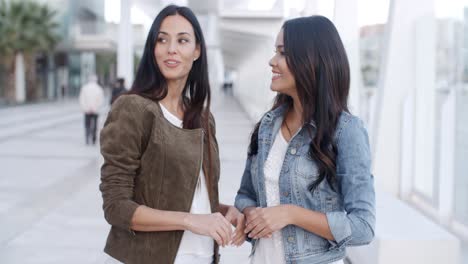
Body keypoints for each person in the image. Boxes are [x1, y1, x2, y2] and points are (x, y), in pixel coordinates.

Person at [99, 5, 245, 264]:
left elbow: (189, 197)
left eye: (183, 40)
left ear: (197, 50)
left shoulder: (202, 118)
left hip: (204, 256)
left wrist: (222, 211)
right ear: (152, 49)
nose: (171, 49)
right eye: (162, 39)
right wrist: (191, 221)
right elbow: (116, 207)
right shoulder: (133, 108)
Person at [234, 16, 376, 264]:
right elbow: (245, 195)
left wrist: (290, 214)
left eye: (282, 53)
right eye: (274, 52)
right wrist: (252, 215)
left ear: (311, 61)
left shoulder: (346, 132)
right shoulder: (268, 126)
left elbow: (363, 227)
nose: (272, 61)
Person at [79, 75, 104, 145]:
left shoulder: (84, 88)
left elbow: (82, 99)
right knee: (95, 125)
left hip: (87, 110)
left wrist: (86, 108)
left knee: (87, 125)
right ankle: (94, 138)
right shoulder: (99, 89)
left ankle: (87, 138)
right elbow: (100, 100)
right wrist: (95, 108)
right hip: (95, 110)